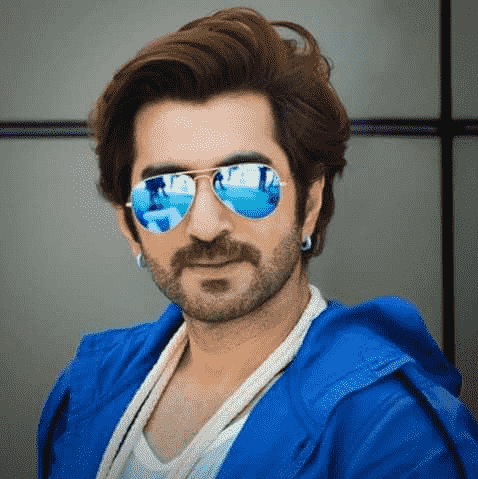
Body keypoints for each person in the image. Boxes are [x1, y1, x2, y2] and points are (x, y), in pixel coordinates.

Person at [37, 7, 478, 479]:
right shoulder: (82, 394)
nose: (205, 226)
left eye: (247, 182)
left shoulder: (394, 434)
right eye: (164, 190)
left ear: (309, 203)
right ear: (130, 227)